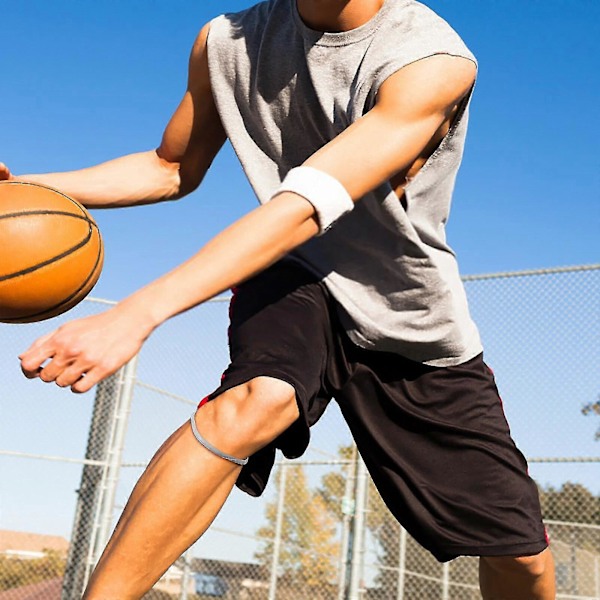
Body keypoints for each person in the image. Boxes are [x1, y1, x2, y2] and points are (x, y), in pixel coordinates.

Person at [3, 0, 555, 597]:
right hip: (296, 271)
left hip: (404, 311)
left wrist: (137, 312)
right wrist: (31, 188)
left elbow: (306, 205)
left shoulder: (428, 59)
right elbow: (171, 168)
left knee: (520, 554)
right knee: (255, 401)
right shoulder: (224, 41)